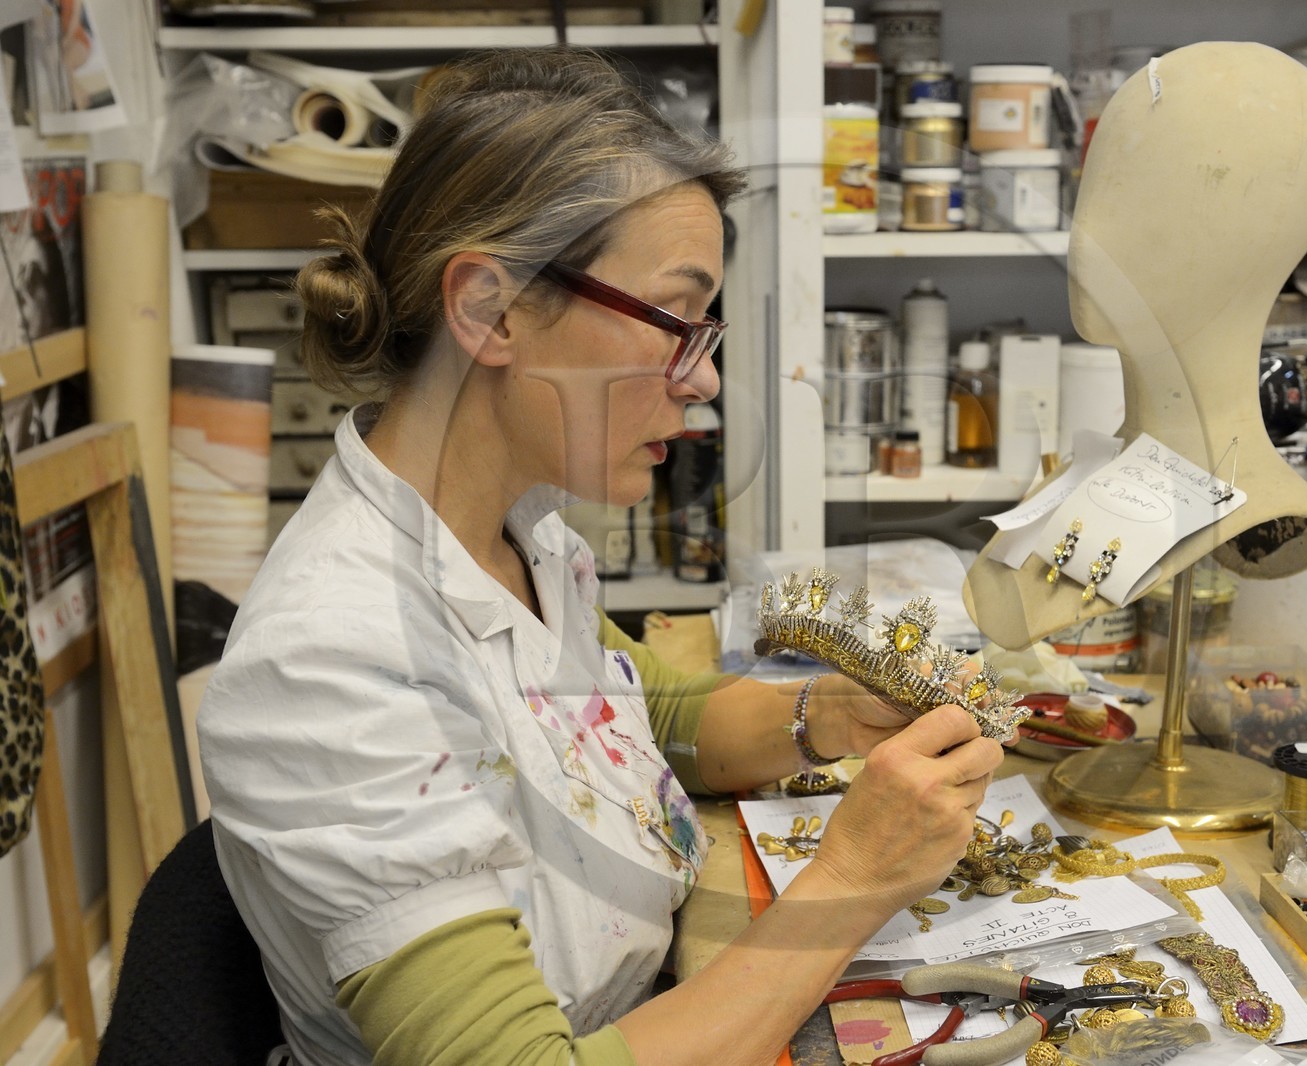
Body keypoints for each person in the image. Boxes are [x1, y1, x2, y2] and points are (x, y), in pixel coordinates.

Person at [199, 48, 1003, 1066]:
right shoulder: (332, 665)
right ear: (490, 311)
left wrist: (822, 717)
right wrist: (852, 879)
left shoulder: (516, 533)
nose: (704, 381)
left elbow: (624, 720)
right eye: (676, 320)